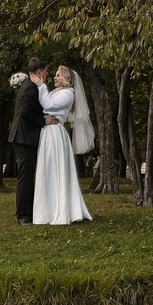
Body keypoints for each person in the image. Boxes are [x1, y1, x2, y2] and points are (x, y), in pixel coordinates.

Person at [32, 66, 94, 227]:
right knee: (47, 169)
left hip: (55, 133)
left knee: (56, 168)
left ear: (66, 78)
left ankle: (62, 208)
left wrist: (41, 86)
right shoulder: (55, 92)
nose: (54, 77)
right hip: (47, 131)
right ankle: (47, 210)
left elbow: (49, 105)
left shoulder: (68, 94)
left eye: (58, 75)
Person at [9, 66, 45, 222]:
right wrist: (44, 122)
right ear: (38, 72)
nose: (47, 75)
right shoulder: (31, 89)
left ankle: (27, 212)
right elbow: (25, 112)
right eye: (46, 72)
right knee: (26, 176)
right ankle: (23, 215)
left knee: (27, 176)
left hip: (23, 137)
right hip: (25, 138)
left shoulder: (28, 85)